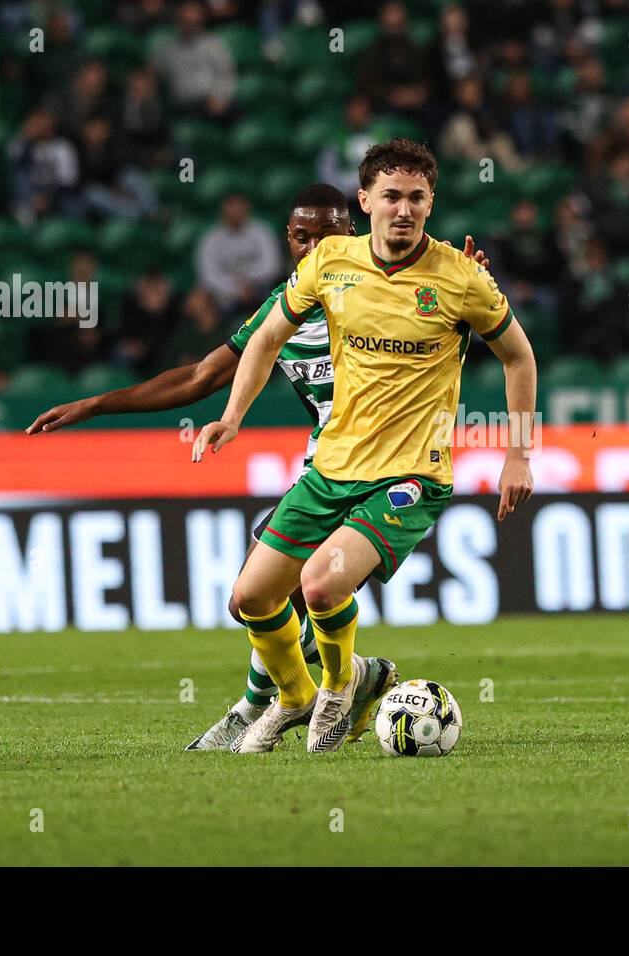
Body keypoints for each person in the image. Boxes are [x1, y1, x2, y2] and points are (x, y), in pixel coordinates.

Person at [27, 183, 492, 750]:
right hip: (329, 467)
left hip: (398, 470)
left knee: (304, 591)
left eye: (327, 235)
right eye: (301, 237)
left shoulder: (389, 286)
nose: (313, 247)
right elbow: (201, 376)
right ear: (288, 241)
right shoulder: (287, 306)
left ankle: (262, 707)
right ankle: (332, 687)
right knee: (251, 601)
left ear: (353, 232)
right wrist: (97, 405)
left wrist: (456, 282)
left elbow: (463, 320)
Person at [191, 139, 536, 753]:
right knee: (251, 598)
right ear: (365, 200)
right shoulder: (330, 263)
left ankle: (336, 695)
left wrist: (519, 452)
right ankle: (295, 699)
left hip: (411, 475)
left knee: (322, 586)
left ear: (431, 204)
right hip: (330, 468)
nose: (404, 210)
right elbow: (268, 337)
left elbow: (518, 355)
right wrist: (232, 415)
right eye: (392, 196)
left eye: (417, 198)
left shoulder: (462, 278)